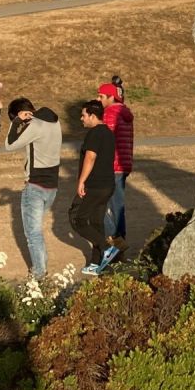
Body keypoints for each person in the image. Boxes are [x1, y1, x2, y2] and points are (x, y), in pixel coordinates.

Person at [3, 97, 62, 279]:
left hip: (35, 186)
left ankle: (38, 272)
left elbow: (9, 145)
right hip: (52, 185)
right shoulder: (54, 121)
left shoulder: (35, 125)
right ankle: (42, 266)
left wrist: (15, 123)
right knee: (36, 231)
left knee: (32, 233)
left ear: (22, 114)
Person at [70, 99, 119, 275]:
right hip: (108, 185)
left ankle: (107, 247)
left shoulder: (94, 133)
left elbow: (90, 158)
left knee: (77, 219)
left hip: (95, 186)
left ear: (92, 115)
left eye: (83, 115)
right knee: (97, 222)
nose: (81, 118)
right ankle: (96, 263)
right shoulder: (107, 132)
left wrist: (81, 181)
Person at [99, 77, 134, 257]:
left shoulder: (111, 113)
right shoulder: (125, 113)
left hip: (112, 164)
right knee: (118, 204)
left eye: (102, 96)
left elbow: (105, 138)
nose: (99, 100)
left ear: (111, 97)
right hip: (124, 163)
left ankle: (116, 242)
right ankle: (121, 241)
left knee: (101, 204)